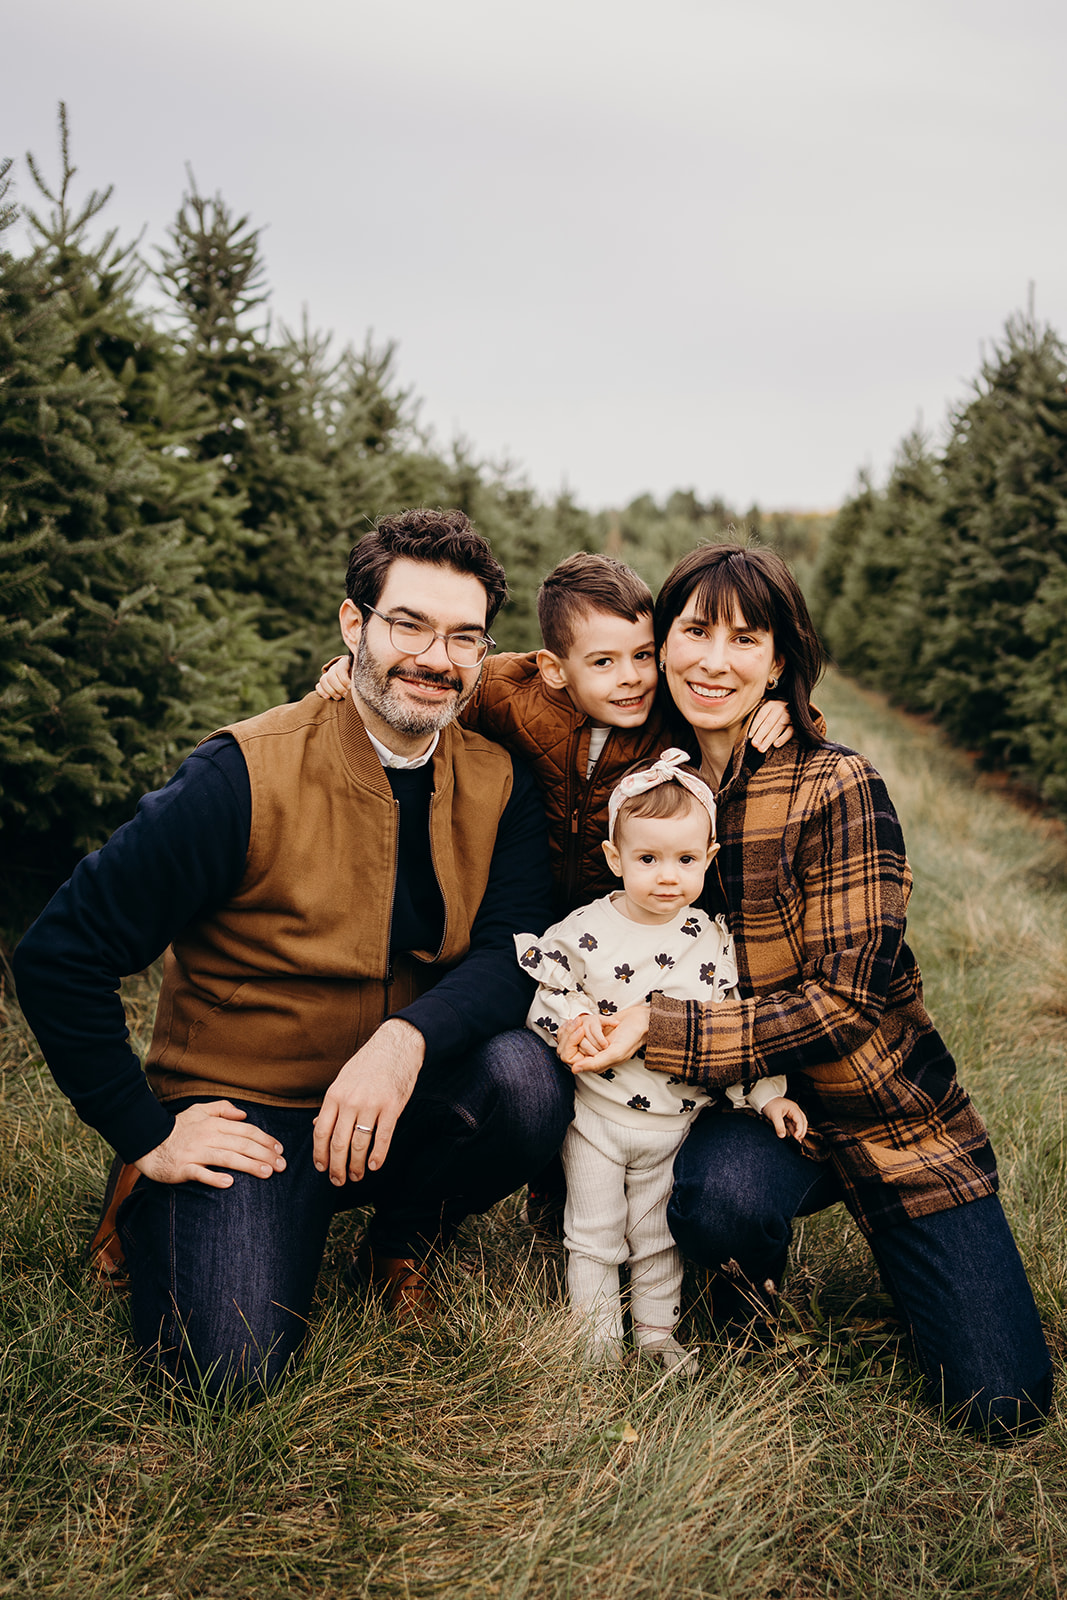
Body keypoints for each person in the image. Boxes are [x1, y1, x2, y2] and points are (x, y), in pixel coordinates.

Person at [14, 508, 573, 1398]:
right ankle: (154, 1189)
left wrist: (405, 1042)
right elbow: (61, 950)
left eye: (463, 636)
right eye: (409, 624)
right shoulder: (243, 773)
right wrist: (143, 1128)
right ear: (354, 626)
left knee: (525, 1083)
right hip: (254, 1109)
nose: (436, 657)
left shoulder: (497, 781)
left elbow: (513, 950)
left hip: (396, 1092)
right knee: (222, 1374)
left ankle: (401, 1234)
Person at [560, 542, 1052, 1438]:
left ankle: (915, 1257)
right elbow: (547, 674)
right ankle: (740, 1291)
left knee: (1003, 1407)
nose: (714, 660)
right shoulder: (651, 784)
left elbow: (844, 1003)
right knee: (718, 1201)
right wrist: (345, 674)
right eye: (694, 632)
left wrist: (655, 1025)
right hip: (743, 1109)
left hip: (880, 1114)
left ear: (779, 660)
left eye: (746, 639)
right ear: (662, 644)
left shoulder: (836, 782)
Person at [516, 749, 807, 1372]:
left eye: (684, 859)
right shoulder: (587, 929)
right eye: (647, 859)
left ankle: (655, 1336)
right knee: (594, 1232)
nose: (667, 876)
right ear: (615, 859)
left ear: (709, 859)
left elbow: (733, 1022)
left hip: (674, 1124)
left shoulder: (709, 938)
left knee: (656, 1237)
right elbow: (551, 991)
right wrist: (574, 1022)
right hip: (596, 1116)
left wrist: (766, 1094)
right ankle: (594, 1347)